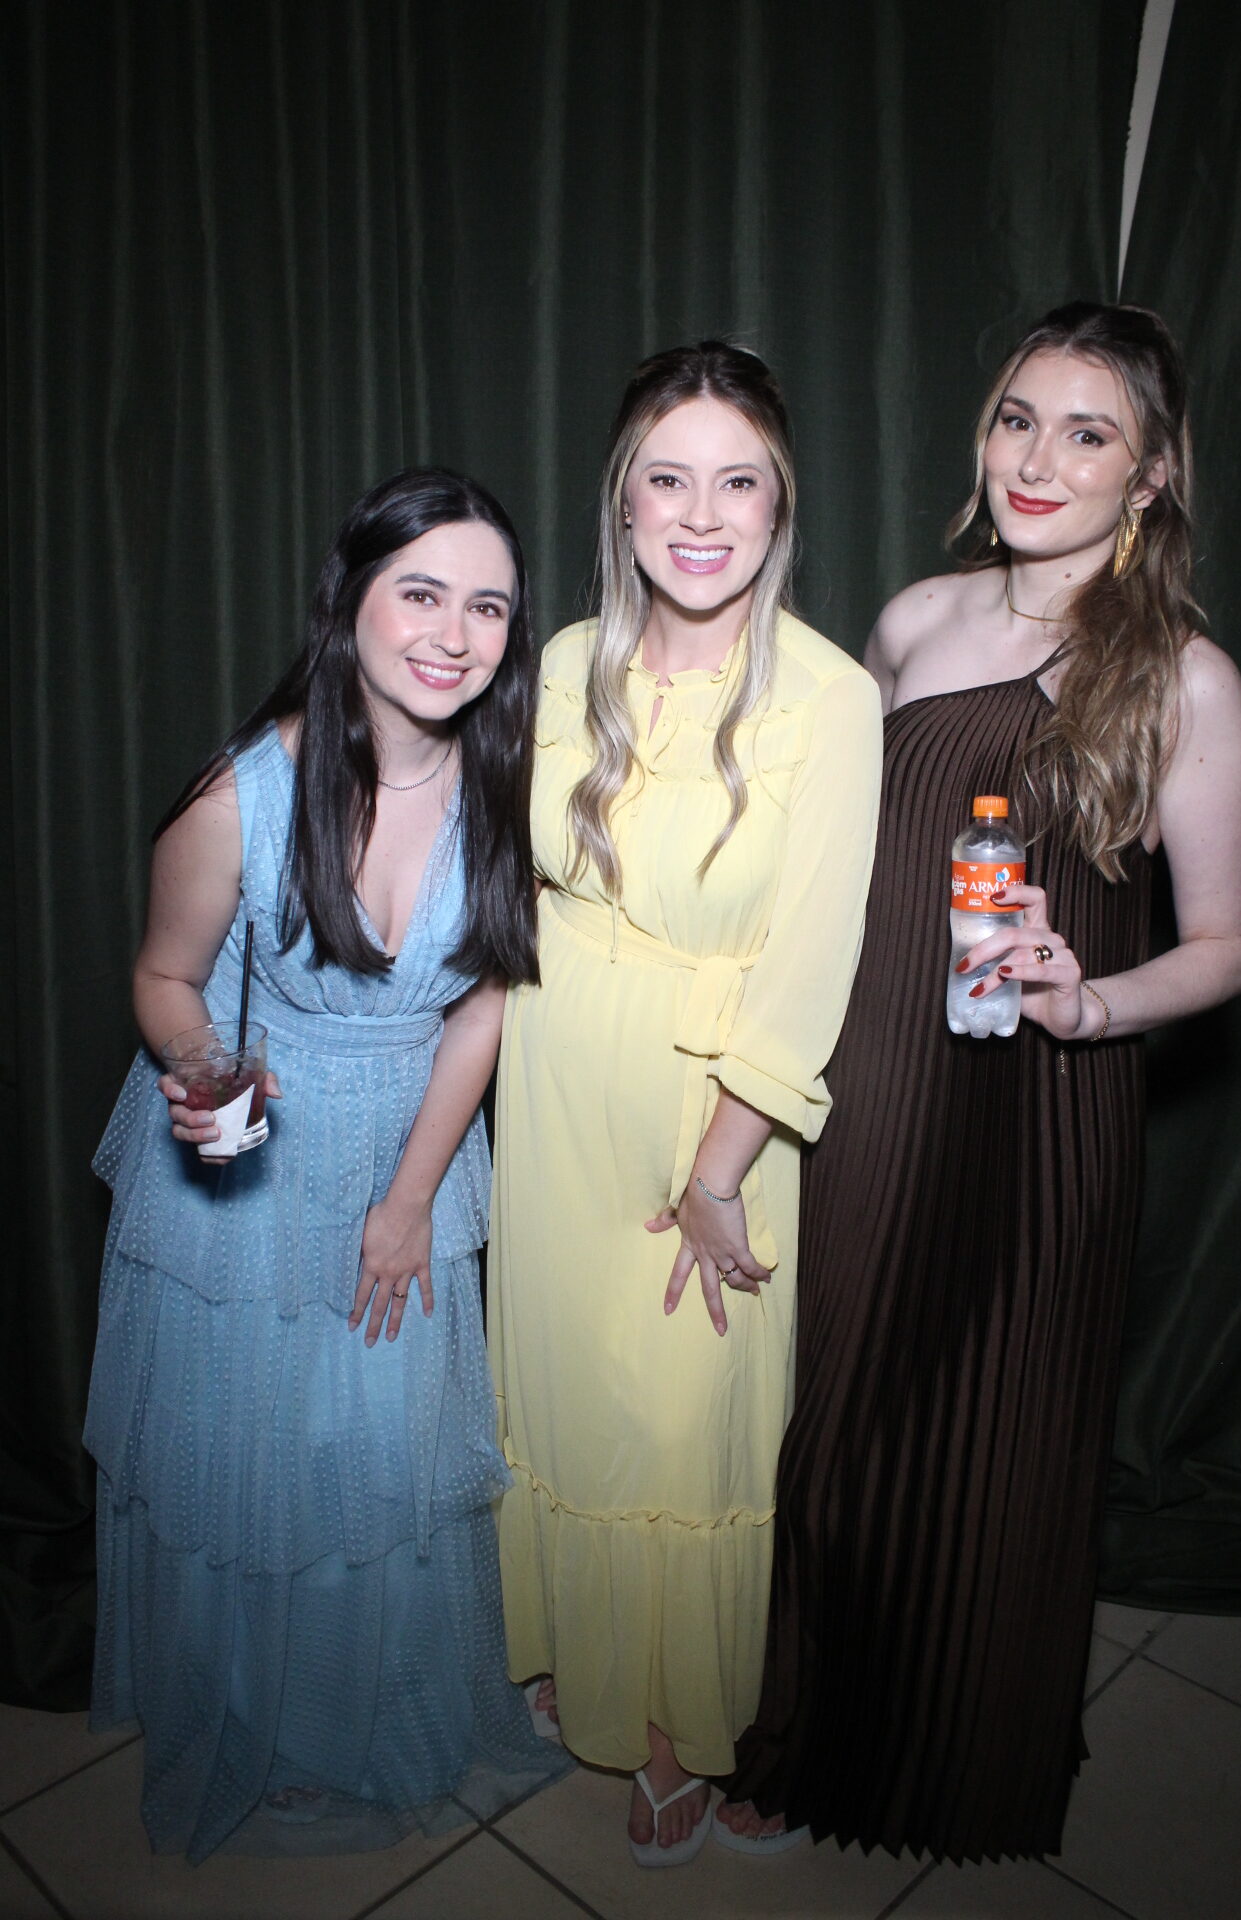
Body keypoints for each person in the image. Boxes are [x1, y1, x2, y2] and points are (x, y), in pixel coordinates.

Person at [724, 302, 1241, 1862]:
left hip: (1044, 1110)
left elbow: (1227, 950)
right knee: (842, 1413)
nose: (1039, 457)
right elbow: (829, 857)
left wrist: (1088, 1004)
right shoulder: (912, 621)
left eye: (1089, 433)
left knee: (1003, 1443)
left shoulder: (1188, 681)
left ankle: (966, 1761)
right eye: (1020, 418)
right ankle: (807, 1730)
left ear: (1149, 476)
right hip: (877, 1075)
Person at [84, 468, 571, 1862]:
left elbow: (484, 1006)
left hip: (414, 1150)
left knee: (380, 1464)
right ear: (349, 599)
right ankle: (262, 1721)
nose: (455, 635)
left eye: (489, 607)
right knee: (255, 1465)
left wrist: (410, 1202)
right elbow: (166, 977)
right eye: (421, 593)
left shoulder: (507, 784)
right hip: (254, 1168)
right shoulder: (238, 795)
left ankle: (372, 1711)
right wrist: (202, 1074)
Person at [486, 341, 883, 1866]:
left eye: (738, 482)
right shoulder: (565, 658)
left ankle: (675, 1728)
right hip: (553, 1073)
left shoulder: (830, 696)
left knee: (682, 1426)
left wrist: (719, 1171)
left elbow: (811, 963)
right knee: (564, 1394)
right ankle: (574, 1655)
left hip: (707, 1107)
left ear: (782, 504)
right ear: (623, 499)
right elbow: (507, 878)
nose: (701, 516)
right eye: (669, 479)